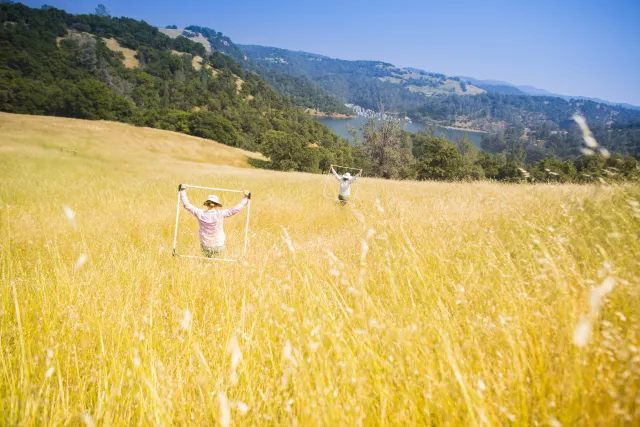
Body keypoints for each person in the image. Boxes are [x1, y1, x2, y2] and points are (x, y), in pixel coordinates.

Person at [178, 184, 250, 258]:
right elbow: (234, 210)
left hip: (205, 245)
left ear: (207, 204)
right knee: (218, 263)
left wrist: (182, 191)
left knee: (206, 261)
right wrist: (245, 198)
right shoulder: (220, 213)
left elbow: (187, 205)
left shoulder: (200, 213)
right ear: (216, 205)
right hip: (218, 244)